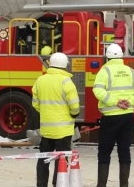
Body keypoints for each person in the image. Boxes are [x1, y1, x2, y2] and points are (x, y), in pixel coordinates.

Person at [92, 44, 134, 187]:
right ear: (121, 56)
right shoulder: (131, 72)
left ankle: (101, 185)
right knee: (124, 150)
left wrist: (116, 102)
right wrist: (129, 102)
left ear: (107, 57)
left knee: (104, 152)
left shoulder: (104, 72)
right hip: (128, 116)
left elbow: (98, 92)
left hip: (110, 116)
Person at [32, 52, 80, 187]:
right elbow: (75, 106)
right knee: (62, 160)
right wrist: (73, 114)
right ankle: (58, 184)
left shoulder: (40, 80)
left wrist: (47, 113)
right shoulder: (66, 82)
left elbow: (35, 103)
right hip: (63, 131)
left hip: (46, 129)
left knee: (43, 159)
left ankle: (41, 184)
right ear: (65, 65)